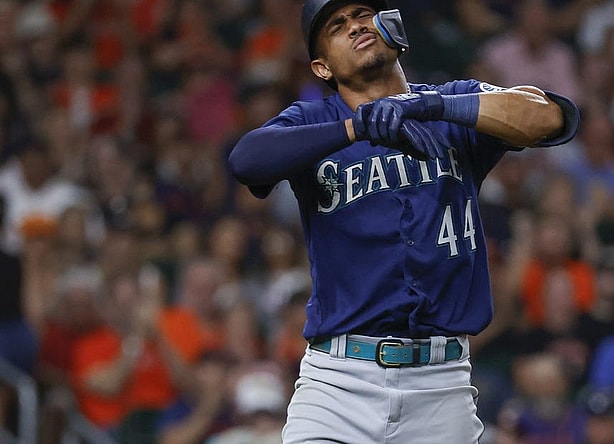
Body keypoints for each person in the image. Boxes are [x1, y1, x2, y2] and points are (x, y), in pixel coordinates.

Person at [227, 0, 580, 442]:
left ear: (392, 27)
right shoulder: (313, 120)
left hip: (442, 386)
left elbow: (553, 116)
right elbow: (246, 161)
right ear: (322, 68)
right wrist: (359, 128)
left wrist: (428, 106)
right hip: (339, 382)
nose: (356, 26)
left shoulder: (450, 104)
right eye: (337, 26)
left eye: (363, 14)